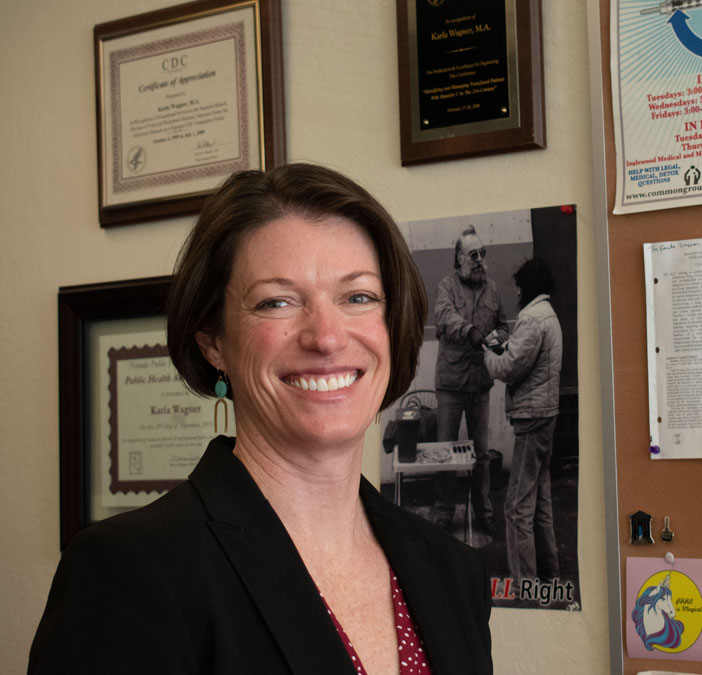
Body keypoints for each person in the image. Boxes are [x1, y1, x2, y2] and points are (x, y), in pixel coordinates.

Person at [29, 164, 493, 674]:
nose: (327, 337)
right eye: (277, 302)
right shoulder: (128, 573)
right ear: (213, 342)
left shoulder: (452, 570)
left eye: (357, 297)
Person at [483, 258, 562, 585]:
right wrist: (506, 347)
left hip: (531, 419)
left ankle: (526, 584)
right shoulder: (550, 316)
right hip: (547, 415)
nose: (515, 291)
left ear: (527, 286)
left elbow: (507, 369)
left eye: (518, 285)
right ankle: (551, 574)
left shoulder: (531, 318)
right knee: (540, 499)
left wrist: (488, 351)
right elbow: (523, 356)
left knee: (515, 508)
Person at [433, 226, 507, 535]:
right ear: (459, 258)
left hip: (480, 382)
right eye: (473, 254)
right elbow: (446, 318)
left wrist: (498, 338)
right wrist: (471, 332)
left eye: (483, 254)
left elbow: (503, 326)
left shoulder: (492, 289)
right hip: (451, 383)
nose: (479, 260)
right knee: (445, 452)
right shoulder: (446, 287)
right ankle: (443, 512)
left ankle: (484, 512)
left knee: (482, 454)